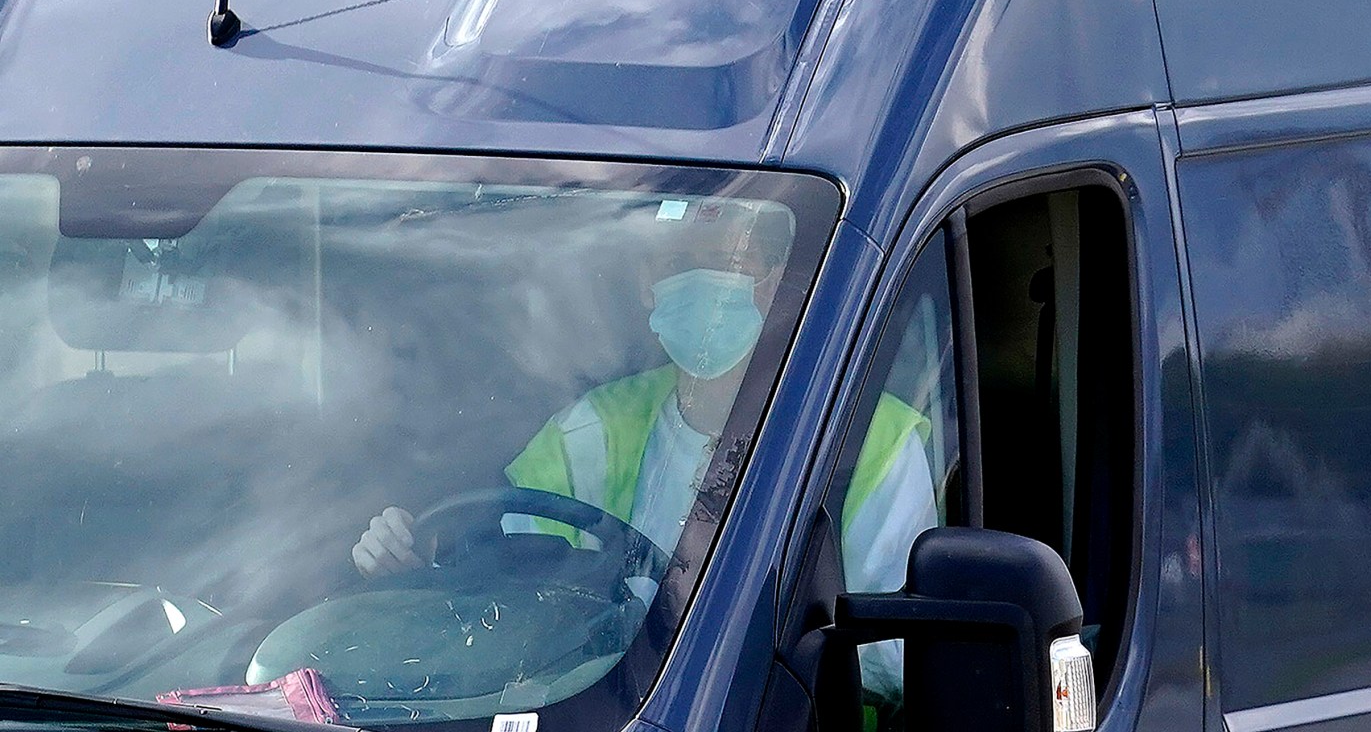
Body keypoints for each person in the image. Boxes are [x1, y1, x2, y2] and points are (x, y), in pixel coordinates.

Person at [349, 204, 942, 701]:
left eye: (723, 260)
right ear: (645, 284)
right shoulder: (587, 430)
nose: (697, 279)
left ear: (772, 277)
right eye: (675, 263)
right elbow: (508, 592)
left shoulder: (867, 439)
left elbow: (896, 664)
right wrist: (421, 572)